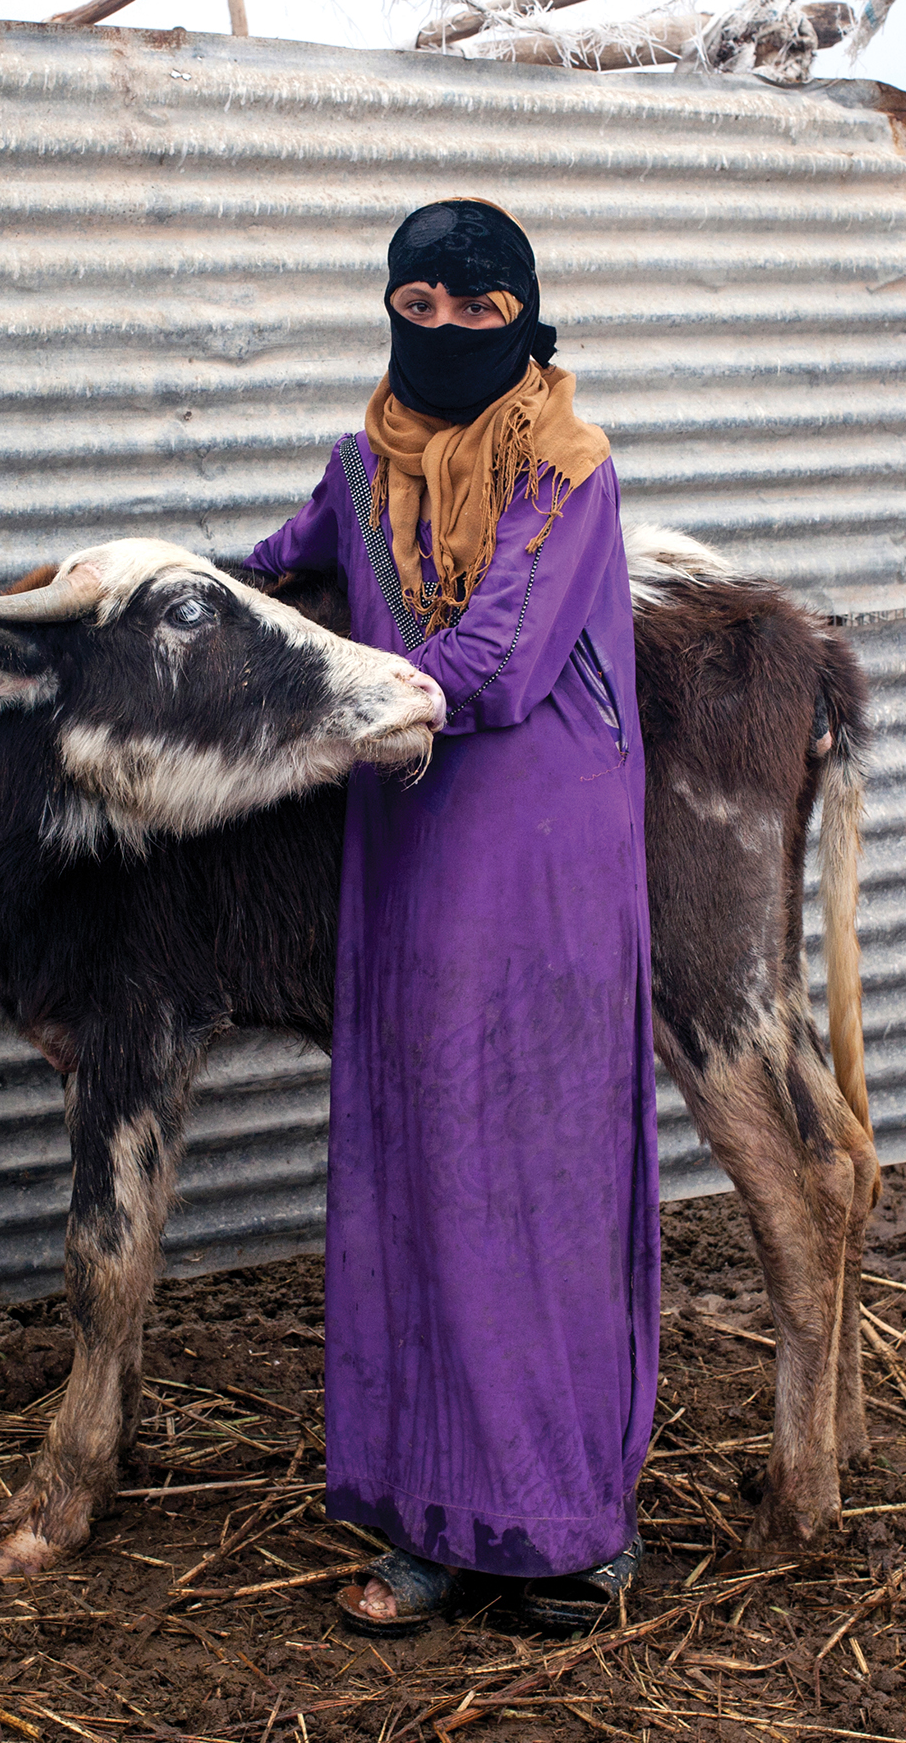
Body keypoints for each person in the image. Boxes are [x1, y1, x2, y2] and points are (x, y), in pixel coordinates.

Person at [247, 200, 657, 1635]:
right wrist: (161, 600)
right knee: (414, 1161)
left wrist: (384, 692)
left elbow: (498, 648)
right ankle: (426, 1519)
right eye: (416, 305)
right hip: (407, 840)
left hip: (538, 843)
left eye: (477, 312)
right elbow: (282, 581)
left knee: (535, 1171)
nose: (442, 334)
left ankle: (564, 1531)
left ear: (525, 320)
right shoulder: (359, 469)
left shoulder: (567, 468)